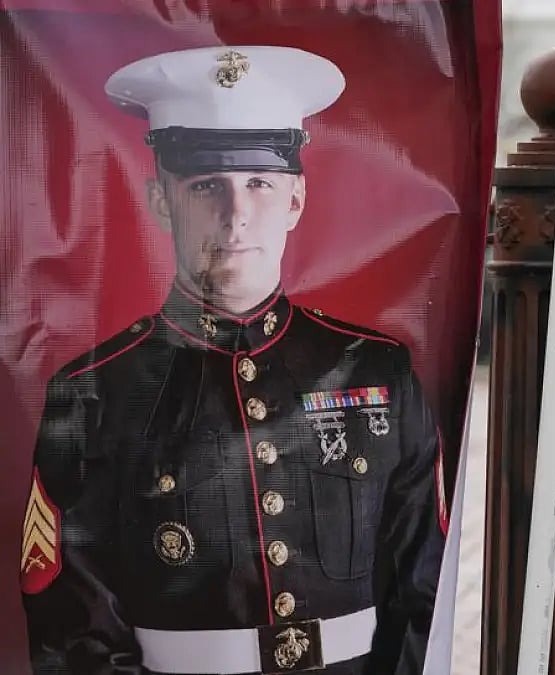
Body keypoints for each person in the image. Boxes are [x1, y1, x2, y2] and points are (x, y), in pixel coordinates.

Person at [18, 45, 448, 675]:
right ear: (161, 201)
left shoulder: (375, 372)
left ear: (296, 201)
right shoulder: (92, 393)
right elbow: (68, 623)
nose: (236, 215)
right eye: (205, 187)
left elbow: (424, 588)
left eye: (259, 184)